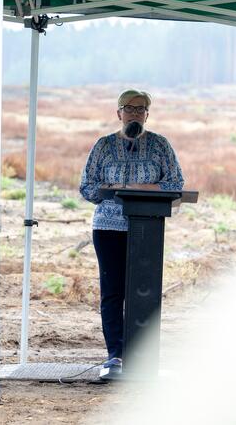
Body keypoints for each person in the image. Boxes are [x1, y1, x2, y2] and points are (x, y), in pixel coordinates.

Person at [79, 89, 184, 379]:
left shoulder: (161, 146)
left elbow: (176, 181)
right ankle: (116, 356)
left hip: (146, 229)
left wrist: (142, 190)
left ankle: (141, 356)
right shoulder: (103, 146)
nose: (134, 113)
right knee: (112, 293)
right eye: (129, 108)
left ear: (147, 115)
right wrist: (111, 193)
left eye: (140, 109)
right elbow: (86, 186)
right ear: (118, 113)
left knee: (143, 293)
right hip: (108, 229)